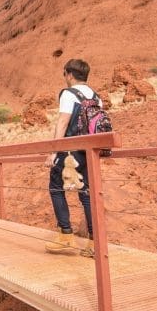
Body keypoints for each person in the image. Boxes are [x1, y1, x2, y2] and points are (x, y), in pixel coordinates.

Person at [43, 59, 101, 257]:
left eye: (64, 74)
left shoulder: (69, 94)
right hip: (89, 151)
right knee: (86, 194)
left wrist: (53, 151)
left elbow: (63, 122)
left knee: (56, 188)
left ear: (69, 74)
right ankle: (95, 242)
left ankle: (65, 234)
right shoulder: (96, 96)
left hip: (70, 151)